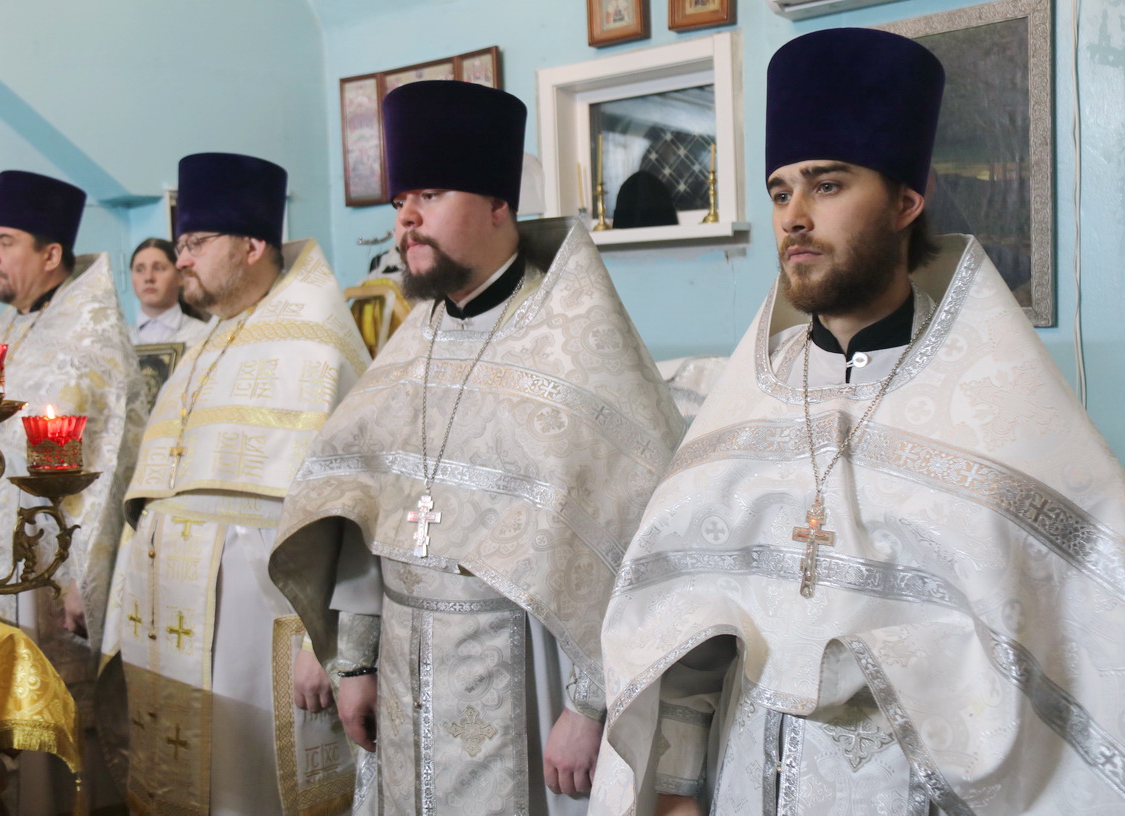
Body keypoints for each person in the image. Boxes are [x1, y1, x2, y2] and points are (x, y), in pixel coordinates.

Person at [591, 28, 1125, 816]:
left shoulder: (999, 404)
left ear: (907, 201)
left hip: (906, 794)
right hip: (745, 779)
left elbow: (1072, 636)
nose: (794, 218)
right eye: (780, 193)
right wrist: (675, 786)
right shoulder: (749, 394)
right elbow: (685, 625)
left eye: (827, 185)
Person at [269, 80, 684, 815]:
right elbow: (362, 514)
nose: (406, 218)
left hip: (529, 675)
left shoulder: (577, 345)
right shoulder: (412, 344)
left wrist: (588, 707)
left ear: (498, 204)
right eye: (400, 201)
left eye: (429, 195)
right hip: (403, 667)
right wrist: (356, 661)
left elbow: (630, 539)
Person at [101, 152, 370, 815]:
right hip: (172, 617)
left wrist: (326, 643)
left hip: (257, 623)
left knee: (245, 792)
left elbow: (355, 509)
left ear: (251, 246)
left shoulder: (318, 342)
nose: (181, 259)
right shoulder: (206, 343)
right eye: (180, 245)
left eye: (195, 242)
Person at [0, 169, 146, 814]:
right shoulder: (3, 331)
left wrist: (84, 580)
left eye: (6, 241)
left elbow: (113, 464)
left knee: (48, 742)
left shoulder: (92, 341)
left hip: (45, 580)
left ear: (51, 255)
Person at [128, 236, 211, 346]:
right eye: (140, 270)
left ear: (181, 276)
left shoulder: (203, 335)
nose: (148, 277)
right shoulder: (119, 340)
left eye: (158, 268)